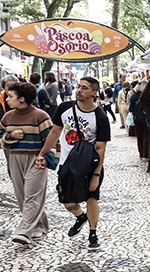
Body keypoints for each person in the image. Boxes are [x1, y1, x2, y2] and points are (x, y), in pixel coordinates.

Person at [35, 77, 111, 252]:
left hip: (89, 164)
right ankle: (80, 217)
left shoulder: (100, 117)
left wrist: (96, 174)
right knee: (66, 199)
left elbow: (100, 148)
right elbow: (54, 132)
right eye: (78, 87)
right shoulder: (64, 108)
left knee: (92, 198)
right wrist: (42, 154)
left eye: (84, 88)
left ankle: (93, 233)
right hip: (67, 162)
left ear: (93, 93)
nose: (79, 90)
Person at [0, 82, 53, 246]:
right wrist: (10, 136)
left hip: (37, 159)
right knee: (22, 196)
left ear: (22, 99)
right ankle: (40, 225)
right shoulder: (8, 117)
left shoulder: (40, 116)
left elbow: (52, 140)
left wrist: (46, 158)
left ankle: (23, 231)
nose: (7, 99)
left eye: (10, 96)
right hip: (15, 158)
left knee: (32, 195)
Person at [129, 80, 149, 156]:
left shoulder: (133, 97)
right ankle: (146, 153)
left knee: (139, 136)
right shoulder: (147, 96)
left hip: (137, 118)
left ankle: (141, 153)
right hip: (146, 118)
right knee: (146, 136)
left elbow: (130, 109)